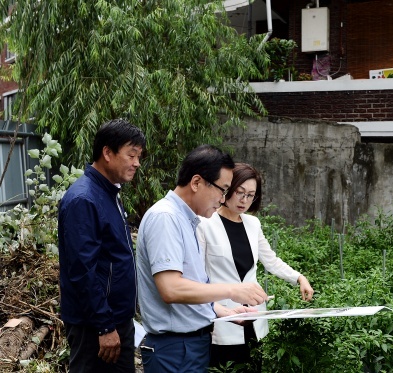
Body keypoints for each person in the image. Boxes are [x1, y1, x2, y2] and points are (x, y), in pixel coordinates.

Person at [136, 145, 268, 373]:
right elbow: (172, 289)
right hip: (175, 349)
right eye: (223, 190)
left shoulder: (189, 221)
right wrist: (232, 291)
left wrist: (219, 310)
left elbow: (191, 284)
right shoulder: (166, 218)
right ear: (196, 183)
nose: (223, 199)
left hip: (190, 345)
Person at [197, 163, 314, 372]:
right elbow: (197, 274)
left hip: (253, 316)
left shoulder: (253, 224)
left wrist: (299, 277)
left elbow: (271, 260)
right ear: (227, 190)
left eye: (251, 195)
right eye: (240, 193)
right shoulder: (206, 223)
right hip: (225, 317)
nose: (244, 200)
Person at [58, 118, 146, 372]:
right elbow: (82, 270)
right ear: (107, 152)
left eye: (138, 156)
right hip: (95, 328)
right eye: (131, 155)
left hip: (116, 321)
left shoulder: (109, 193)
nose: (136, 163)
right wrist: (104, 325)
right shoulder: (84, 199)